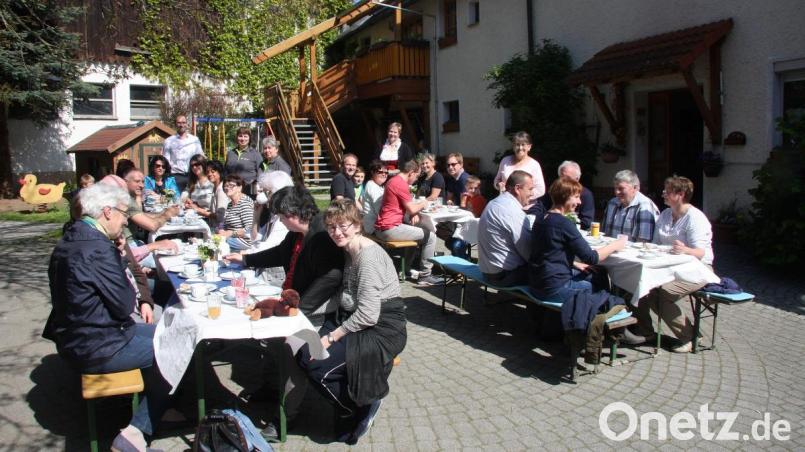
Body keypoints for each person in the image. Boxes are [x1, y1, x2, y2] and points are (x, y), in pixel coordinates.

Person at [43, 183, 173, 451]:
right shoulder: (98, 248)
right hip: (98, 344)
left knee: (166, 332)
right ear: (107, 212)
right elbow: (125, 303)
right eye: (124, 214)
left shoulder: (72, 237)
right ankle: (137, 431)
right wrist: (119, 256)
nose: (126, 220)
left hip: (82, 335)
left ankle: (158, 400)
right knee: (175, 347)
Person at [224, 186, 344, 441]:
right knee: (270, 341)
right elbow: (279, 253)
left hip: (318, 309)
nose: (278, 219)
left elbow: (332, 277)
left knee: (292, 353)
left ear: (293, 212)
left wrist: (301, 310)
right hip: (296, 302)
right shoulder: (299, 234)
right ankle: (270, 388)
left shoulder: (321, 234)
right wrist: (245, 260)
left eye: (280, 214)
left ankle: (285, 417)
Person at [298, 199, 406, 445]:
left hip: (381, 326)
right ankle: (352, 399)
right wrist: (303, 313)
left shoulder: (368, 258)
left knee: (319, 368)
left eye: (343, 225)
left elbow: (369, 314)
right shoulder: (349, 251)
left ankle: (360, 404)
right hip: (350, 317)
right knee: (304, 354)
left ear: (357, 225)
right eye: (331, 227)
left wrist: (330, 337)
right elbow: (343, 296)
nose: (337, 232)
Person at [634, 176, 714, 353]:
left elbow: (701, 253)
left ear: (680, 194)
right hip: (670, 266)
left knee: (664, 293)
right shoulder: (665, 214)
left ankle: (690, 337)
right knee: (644, 288)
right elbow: (656, 243)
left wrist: (686, 249)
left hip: (698, 268)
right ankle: (646, 331)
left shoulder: (695, 217)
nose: (663, 193)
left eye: (667, 191)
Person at [529, 178, 626, 301]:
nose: (579, 202)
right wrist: (616, 245)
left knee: (598, 273)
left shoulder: (541, 218)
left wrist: (574, 263)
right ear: (566, 197)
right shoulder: (564, 223)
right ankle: (603, 311)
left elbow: (549, 252)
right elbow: (591, 257)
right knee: (599, 288)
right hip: (553, 288)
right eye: (576, 197)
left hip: (537, 282)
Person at [373, 160, 441, 286]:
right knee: (430, 236)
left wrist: (414, 212)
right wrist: (425, 202)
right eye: (416, 175)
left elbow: (407, 208)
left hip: (382, 227)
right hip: (389, 229)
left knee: (413, 231)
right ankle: (426, 275)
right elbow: (412, 208)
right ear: (411, 173)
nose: (416, 179)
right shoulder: (401, 184)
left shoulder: (393, 180)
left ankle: (406, 268)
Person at [478, 170, 534, 286]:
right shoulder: (512, 210)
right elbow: (528, 252)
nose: (532, 194)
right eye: (530, 189)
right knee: (557, 273)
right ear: (517, 189)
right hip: (503, 276)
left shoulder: (495, 202)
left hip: (488, 271)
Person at [493, 131, 546, 214]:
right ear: (513, 147)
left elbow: (541, 189)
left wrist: (522, 198)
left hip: (527, 208)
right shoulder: (505, 161)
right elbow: (497, 180)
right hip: (506, 206)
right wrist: (498, 185)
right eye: (517, 144)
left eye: (523, 145)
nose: (520, 148)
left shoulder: (534, 165)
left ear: (529, 147)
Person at [601, 169, 659, 242]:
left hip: (633, 252)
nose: (616, 192)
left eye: (621, 188)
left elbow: (643, 242)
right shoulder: (612, 203)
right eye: (615, 188)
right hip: (610, 249)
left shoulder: (644, 206)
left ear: (635, 188)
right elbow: (604, 233)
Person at [251, 170, 293, 252]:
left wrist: (246, 254)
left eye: (266, 192)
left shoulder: (284, 217)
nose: (263, 196)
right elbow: (255, 238)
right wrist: (256, 216)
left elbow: (270, 247)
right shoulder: (273, 214)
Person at [447, 175, 487, 258]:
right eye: (470, 188)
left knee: (456, 245)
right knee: (449, 242)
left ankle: (464, 261)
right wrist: (462, 202)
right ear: (466, 187)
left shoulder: (479, 199)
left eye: (476, 188)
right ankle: (461, 258)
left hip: (475, 228)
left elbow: (472, 216)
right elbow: (463, 212)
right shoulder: (468, 197)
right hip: (466, 226)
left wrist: (462, 203)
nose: (473, 190)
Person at [162, 114, 203, 191]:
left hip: (192, 175)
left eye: (183, 122)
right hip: (176, 177)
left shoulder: (194, 140)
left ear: (187, 124)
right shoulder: (169, 141)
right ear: (175, 124)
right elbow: (166, 161)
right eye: (179, 123)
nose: (181, 125)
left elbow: (200, 157)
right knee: (176, 200)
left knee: (193, 200)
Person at [218, 174, 255, 250]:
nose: (227, 188)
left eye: (231, 185)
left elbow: (249, 228)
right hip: (232, 237)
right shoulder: (230, 204)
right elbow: (225, 222)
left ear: (239, 187)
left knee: (216, 243)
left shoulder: (244, 203)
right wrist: (221, 229)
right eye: (225, 186)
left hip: (245, 241)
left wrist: (230, 233)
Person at [555, 160, 594, 229]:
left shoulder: (585, 194)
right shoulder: (554, 191)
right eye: (561, 177)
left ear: (577, 179)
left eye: (567, 178)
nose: (563, 181)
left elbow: (587, 222)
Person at [225, 127, 262, 197]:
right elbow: (226, 171)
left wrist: (254, 183)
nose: (243, 139)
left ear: (249, 138)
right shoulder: (230, 153)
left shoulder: (255, 154)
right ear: (237, 137)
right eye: (240, 136)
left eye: (245, 136)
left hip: (249, 191)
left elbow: (261, 172)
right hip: (231, 191)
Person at [359, 161, 388, 235]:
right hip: (374, 228)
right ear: (372, 172)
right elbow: (380, 210)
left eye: (386, 172)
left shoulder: (378, 186)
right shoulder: (372, 186)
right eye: (380, 172)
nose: (384, 174)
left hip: (377, 226)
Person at [182, 154, 214, 219]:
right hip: (194, 216)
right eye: (192, 166)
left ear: (203, 164)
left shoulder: (211, 181)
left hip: (209, 217)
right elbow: (184, 195)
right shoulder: (192, 182)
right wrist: (187, 200)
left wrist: (197, 208)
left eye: (197, 164)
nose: (194, 167)